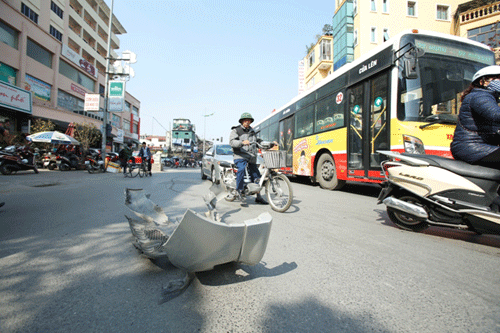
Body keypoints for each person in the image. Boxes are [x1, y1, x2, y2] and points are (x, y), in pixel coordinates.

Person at [451, 65, 500, 169]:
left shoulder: (490, 98)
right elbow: (495, 115)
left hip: (479, 146)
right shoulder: (479, 96)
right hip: (472, 147)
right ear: (483, 82)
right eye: (498, 78)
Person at [229, 112, 268, 204]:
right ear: (242, 121)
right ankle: (239, 190)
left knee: (256, 176)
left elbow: (258, 141)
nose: (247, 122)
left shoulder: (252, 131)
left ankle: (258, 196)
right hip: (240, 155)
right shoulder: (236, 130)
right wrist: (242, 142)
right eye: (245, 120)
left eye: (249, 121)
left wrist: (269, 143)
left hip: (251, 157)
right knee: (241, 170)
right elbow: (232, 142)